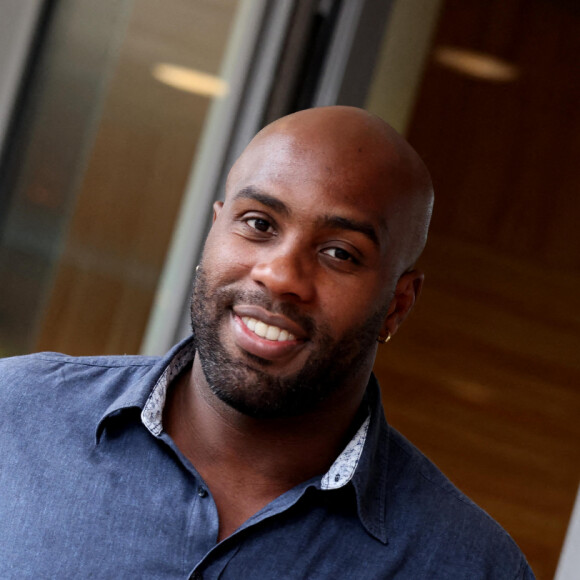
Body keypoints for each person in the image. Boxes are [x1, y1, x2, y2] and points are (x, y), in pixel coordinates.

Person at [0, 106, 534, 579]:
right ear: (214, 231)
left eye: (340, 253)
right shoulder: (17, 414)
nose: (280, 276)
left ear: (397, 304)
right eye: (258, 223)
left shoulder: (471, 566)